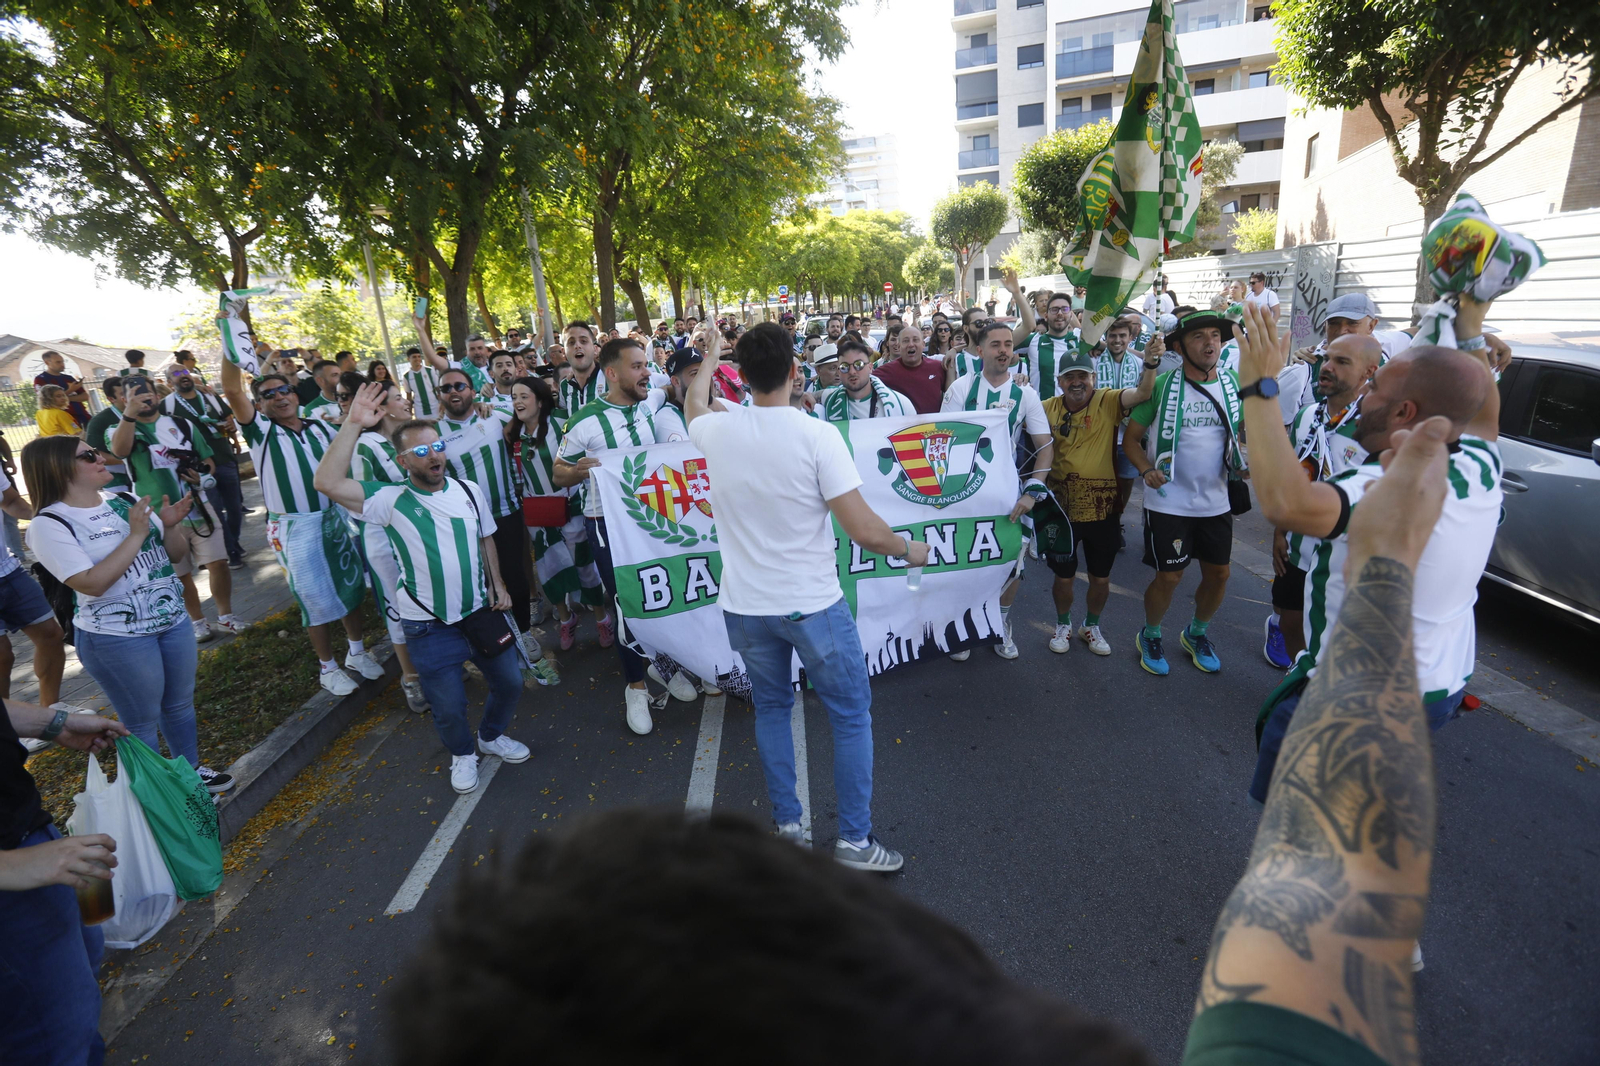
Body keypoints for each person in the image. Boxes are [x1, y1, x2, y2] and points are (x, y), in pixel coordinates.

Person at [1237, 297, 1506, 833]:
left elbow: (1285, 503)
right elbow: (1485, 414)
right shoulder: (1480, 464)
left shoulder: (1377, 491)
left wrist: (1259, 385)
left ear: (1404, 413)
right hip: (1435, 686)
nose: (1366, 396)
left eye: (1377, 390)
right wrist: (1471, 327)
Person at [687, 324, 928, 870]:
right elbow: (864, 531)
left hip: (746, 609)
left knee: (771, 709)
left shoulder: (717, 431)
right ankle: (854, 842)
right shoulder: (818, 436)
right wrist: (910, 548)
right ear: (797, 371)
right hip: (812, 604)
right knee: (849, 715)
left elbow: (694, 402)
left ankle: (789, 827)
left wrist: (708, 357)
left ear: (741, 376)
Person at [316, 387, 531, 796]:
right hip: (428, 625)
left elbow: (487, 537)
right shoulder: (389, 499)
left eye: (437, 447)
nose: (433, 456)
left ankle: (490, 735)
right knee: (448, 706)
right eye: (421, 452)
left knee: (510, 684)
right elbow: (326, 481)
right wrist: (352, 424)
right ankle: (463, 753)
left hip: (480, 611)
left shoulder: (468, 490)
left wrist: (498, 583)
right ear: (402, 461)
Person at [23, 435, 235, 793]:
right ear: (59, 468)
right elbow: (92, 583)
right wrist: (137, 534)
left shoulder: (124, 499)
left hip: (171, 621)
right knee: (140, 722)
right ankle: (155, 795)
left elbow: (173, 555)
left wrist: (169, 526)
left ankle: (190, 771)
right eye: (89, 455)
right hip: (116, 637)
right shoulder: (49, 524)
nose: (101, 458)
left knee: (180, 704)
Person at [221, 345, 381, 695]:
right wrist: (229, 344)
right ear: (259, 404)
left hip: (333, 519)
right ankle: (327, 667)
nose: (279, 398)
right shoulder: (260, 431)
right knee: (313, 597)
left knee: (350, 586)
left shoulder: (321, 428)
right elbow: (232, 389)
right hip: (294, 527)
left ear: (295, 393)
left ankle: (356, 652)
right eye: (268, 395)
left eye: (284, 390)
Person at [0, 697, 130, 1066]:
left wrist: (55, 724)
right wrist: (13, 866)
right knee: (51, 1033)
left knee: (78, 992)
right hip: (14, 874)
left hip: (27, 834)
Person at [552, 338, 669, 734]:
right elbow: (558, 473)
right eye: (637, 366)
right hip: (606, 524)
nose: (646, 373)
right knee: (625, 601)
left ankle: (666, 663)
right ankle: (635, 687)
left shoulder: (649, 400)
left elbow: (678, 387)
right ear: (613, 373)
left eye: (646, 365)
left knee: (662, 589)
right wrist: (579, 470)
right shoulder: (585, 421)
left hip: (653, 517)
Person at [1122, 307, 1246, 677]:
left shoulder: (1230, 383)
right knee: (1170, 577)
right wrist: (1146, 470)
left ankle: (1196, 633)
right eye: (1199, 336)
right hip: (1169, 501)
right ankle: (1152, 633)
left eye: (1215, 336)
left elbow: (1239, 434)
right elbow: (1131, 440)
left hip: (1216, 500)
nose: (1210, 343)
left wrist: (1244, 460)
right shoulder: (1162, 386)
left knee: (1219, 574)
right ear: (1179, 346)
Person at [1263, 334, 1382, 669]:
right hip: (1298, 546)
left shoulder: (1374, 427)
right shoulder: (1306, 417)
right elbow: (1290, 475)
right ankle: (1298, 677)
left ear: (1368, 372)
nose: (1327, 367)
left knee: (1333, 634)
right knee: (1289, 622)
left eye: (1342, 362)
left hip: (1344, 554)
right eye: (1328, 358)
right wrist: (1279, 531)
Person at [1038, 339, 1162, 656]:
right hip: (1061, 511)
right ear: (1060, 381)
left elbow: (1144, 393)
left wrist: (1149, 364)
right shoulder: (1046, 408)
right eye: (1070, 376)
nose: (1077, 382)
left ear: (1093, 378)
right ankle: (1063, 624)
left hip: (1103, 510)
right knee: (1064, 578)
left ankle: (1091, 626)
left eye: (1083, 375)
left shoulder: (1108, 400)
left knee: (1101, 579)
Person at [941, 321, 1053, 660]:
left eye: (1008, 344)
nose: (1004, 350)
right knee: (964, 561)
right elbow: (943, 439)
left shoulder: (1025, 393)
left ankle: (1001, 625)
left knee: (1012, 562)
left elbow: (1045, 446)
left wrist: (1032, 491)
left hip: (1007, 492)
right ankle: (961, 628)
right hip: (964, 492)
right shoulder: (961, 389)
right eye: (995, 345)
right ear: (980, 351)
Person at [111, 376, 242, 642]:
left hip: (198, 507)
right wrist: (129, 415)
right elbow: (120, 450)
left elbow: (208, 463)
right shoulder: (122, 428)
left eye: (148, 394)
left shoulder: (182, 424)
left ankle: (227, 617)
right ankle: (197, 622)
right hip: (159, 517)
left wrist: (201, 477)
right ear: (124, 401)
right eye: (135, 395)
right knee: (181, 574)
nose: (144, 399)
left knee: (218, 563)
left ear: (157, 396)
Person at [343, 379, 432, 713]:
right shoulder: (368, 444)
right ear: (382, 409)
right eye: (398, 398)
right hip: (384, 539)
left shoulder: (394, 441)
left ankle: (431, 668)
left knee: (424, 599)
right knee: (399, 607)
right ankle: (411, 678)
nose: (406, 401)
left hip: (409, 534)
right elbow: (363, 497)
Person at [163, 365, 247, 569]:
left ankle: (232, 541)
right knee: (215, 511)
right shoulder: (167, 406)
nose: (182, 376)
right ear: (168, 383)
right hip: (198, 466)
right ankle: (231, 552)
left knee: (236, 509)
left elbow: (228, 417)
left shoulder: (209, 396)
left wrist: (232, 431)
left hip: (224, 458)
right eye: (176, 374)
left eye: (184, 372)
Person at [0, 465, 66, 711]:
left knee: (51, 635)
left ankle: (50, 709)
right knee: (2, 656)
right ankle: (6, 730)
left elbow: (11, 500)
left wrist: (46, 515)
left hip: (8, 569)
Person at [1094, 317, 1147, 545]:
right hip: (1102, 434)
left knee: (1126, 481)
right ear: (1106, 337)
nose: (1117, 340)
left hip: (1128, 436)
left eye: (1122, 336)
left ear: (1130, 338)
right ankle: (1100, 522)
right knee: (1101, 481)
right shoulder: (1095, 363)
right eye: (1113, 336)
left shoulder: (1139, 364)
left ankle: (1116, 520)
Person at [818, 338, 914, 422]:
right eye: (844, 367)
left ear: (870, 367)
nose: (852, 372)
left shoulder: (901, 405)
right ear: (839, 371)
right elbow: (811, 396)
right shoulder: (830, 398)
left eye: (858, 365)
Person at [1014, 287, 1080, 403]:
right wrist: (1017, 293)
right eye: (1054, 309)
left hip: (1074, 415)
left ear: (1071, 315)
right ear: (1046, 316)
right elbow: (1001, 345)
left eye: (1064, 309)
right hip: (1041, 415)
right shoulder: (1033, 340)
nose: (1059, 313)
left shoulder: (1081, 341)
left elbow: (1112, 347)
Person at [871, 324, 944, 414]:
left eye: (915, 340)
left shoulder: (937, 367)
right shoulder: (886, 371)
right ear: (899, 346)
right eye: (905, 341)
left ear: (923, 344)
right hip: (903, 427)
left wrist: (955, 349)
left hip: (934, 426)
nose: (911, 344)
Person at [83, 377, 133, 492]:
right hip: (118, 479)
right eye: (123, 393)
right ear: (111, 399)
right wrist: (133, 461)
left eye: (130, 391)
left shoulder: (147, 412)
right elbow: (96, 453)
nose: (129, 396)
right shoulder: (100, 421)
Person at [556, 321, 604, 418]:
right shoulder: (564, 386)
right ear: (563, 352)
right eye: (571, 342)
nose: (577, 346)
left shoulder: (611, 379)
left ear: (595, 349)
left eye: (583, 341)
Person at [32, 351, 90, 428]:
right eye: (58, 362)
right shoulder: (41, 379)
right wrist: (70, 390)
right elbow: (47, 400)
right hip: (64, 420)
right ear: (47, 363)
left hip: (83, 415)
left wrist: (63, 397)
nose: (62, 364)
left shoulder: (68, 378)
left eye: (63, 361)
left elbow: (85, 397)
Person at [402, 346, 443, 419]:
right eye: (414, 357)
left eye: (419, 356)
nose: (417, 359)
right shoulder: (406, 376)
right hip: (419, 410)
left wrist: (443, 404)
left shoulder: (430, 371)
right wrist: (409, 412)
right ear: (408, 359)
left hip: (435, 407)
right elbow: (409, 396)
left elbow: (438, 389)